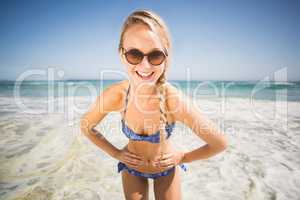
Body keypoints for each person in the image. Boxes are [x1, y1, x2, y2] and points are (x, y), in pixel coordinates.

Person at [80, 9, 228, 200]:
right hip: (132, 169)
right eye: (134, 54)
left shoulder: (172, 100)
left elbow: (220, 143)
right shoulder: (117, 95)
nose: (145, 66)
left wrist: (183, 157)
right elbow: (86, 126)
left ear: (166, 58)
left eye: (155, 56)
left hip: (166, 171)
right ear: (121, 54)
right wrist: (116, 153)